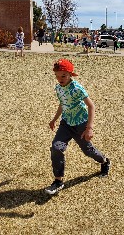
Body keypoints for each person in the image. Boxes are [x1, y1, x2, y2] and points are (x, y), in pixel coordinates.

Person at [45, 59, 110, 195]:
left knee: (88, 150)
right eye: (57, 75)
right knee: (56, 147)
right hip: (66, 123)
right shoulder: (58, 88)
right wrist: (54, 119)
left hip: (80, 124)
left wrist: (89, 128)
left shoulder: (77, 88)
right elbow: (63, 104)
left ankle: (104, 161)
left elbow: (91, 106)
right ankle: (58, 181)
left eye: (63, 75)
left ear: (70, 74)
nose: (60, 79)